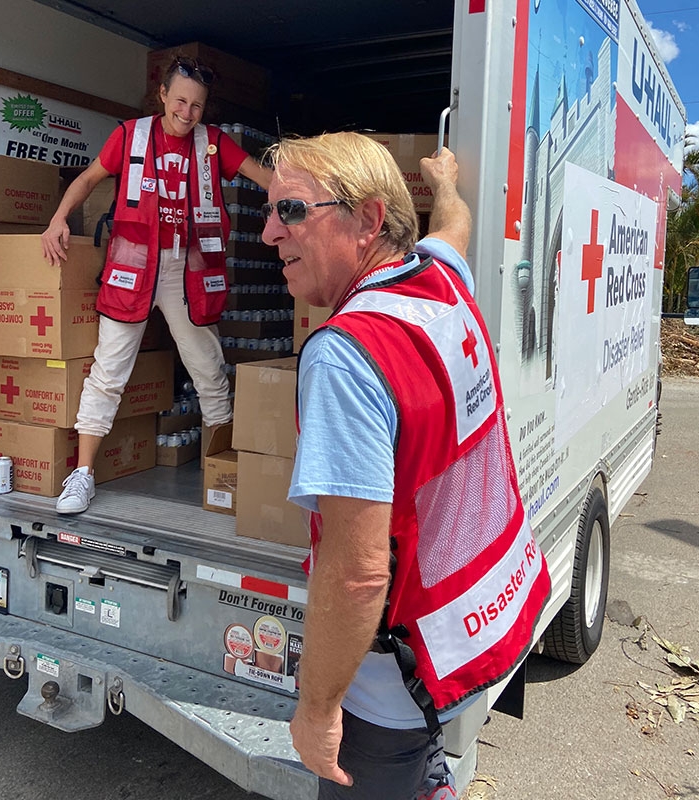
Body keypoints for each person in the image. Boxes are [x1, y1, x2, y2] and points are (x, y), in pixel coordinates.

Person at [260, 133, 552, 799]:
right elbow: (453, 226)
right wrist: (444, 180)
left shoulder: (347, 354)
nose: (271, 233)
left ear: (366, 220)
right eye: (270, 212)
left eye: (293, 211)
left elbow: (359, 576)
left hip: (390, 684)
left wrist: (316, 708)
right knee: (428, 770)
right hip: (470, 632)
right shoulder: (440, 281)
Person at [42, 55, 271, 514]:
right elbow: (88, 179)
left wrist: (307, 202)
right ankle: (82, 476)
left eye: (198, 106)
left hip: (189, 272)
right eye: (180, 101)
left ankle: (217, 473)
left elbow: (261, 175)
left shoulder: (214, 143)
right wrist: (57, 219)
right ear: (163, 95)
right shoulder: (130, 135)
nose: (187, 114)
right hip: (133, 269)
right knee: (108, 371)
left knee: (208, 370)